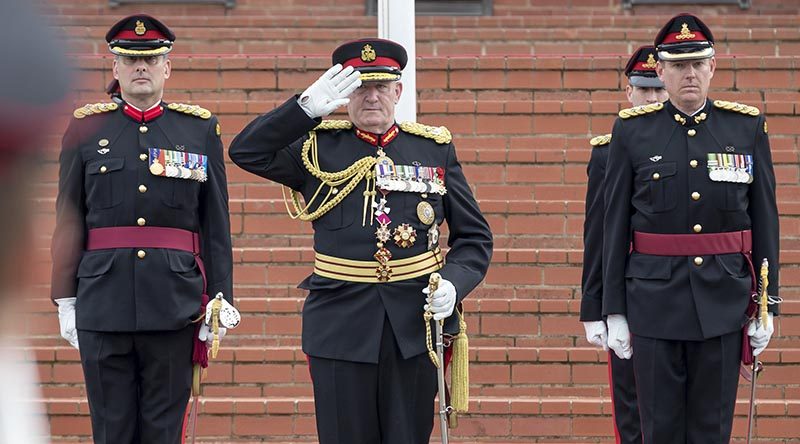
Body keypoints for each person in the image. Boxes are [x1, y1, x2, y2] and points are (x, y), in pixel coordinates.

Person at [229, 38, 493, 443]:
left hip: (414, 323)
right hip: (340, 322)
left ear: (398, 92)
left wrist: (455, 283)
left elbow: (474, 237)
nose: (371, 96)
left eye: (381, 87)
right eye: (359, 87)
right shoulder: (317, 147)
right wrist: (303, 110)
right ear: (344, 94)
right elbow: (246, 151)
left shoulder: (432, 149)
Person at [50, 14, 233, 444]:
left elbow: (215, 221)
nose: (141, 67)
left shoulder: (199, 129)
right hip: (102, 300)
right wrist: (65, 297)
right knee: (111, 430)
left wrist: (220, 297)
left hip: (175, 303)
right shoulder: (85, 127)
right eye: (130, 60)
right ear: (115, 68)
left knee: (162, 431)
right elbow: (68, 216)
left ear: (167, 67)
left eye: (151, 59)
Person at [602, 13, 779, 443]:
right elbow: (614, 227)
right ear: (660, 71)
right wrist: (612, 309)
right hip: (653, 304)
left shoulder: (746, 127)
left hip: (723, 301)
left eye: (698, 64)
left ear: (713, 67)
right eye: (679, 66)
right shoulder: (633, 132)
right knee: (658, 429)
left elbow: (765, 220)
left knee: (711, 430)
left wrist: (767, 304)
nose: (690, 74)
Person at [581, 45, 667, 444]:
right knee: (631, 413)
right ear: (628, 92)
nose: (651, 99)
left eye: (658, 91)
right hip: (630, 294)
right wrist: (596, 308)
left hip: (677, 291)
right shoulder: (608, 150)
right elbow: (599, 234)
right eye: (643, 90)